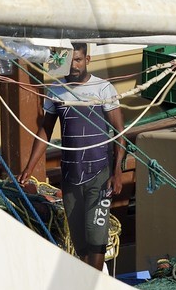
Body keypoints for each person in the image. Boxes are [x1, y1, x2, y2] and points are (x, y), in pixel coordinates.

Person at [18, 43, 125, 270]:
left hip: (100, 175)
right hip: (71, 176)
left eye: (78, 60)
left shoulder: (103, 88)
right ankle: (85, 287)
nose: (74, 66)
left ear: (88, 59)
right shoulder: (56, 90)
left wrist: (117, 171)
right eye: (70, 61)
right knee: (80, 244)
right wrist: (29, 167)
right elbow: (45, 130)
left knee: (96, 240)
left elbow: (119, 132)